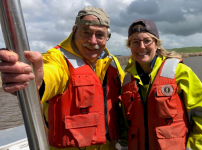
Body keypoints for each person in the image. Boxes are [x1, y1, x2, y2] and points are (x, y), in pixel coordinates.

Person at [0, 6, 127, 150]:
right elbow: (50, 73)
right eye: (86, 33)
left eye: (100, 35)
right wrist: (34, 81)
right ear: (74, 31)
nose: (93, 41)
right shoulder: (57, 59)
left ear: (107, 37)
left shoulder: (112, 62)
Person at [120, 19, 202, 150]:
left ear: (157, 44)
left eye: (147, 41)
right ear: (130, 47)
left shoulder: (179, 71)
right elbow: (125, 124)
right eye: (135, 42)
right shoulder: (127, 79)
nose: (141, 46)